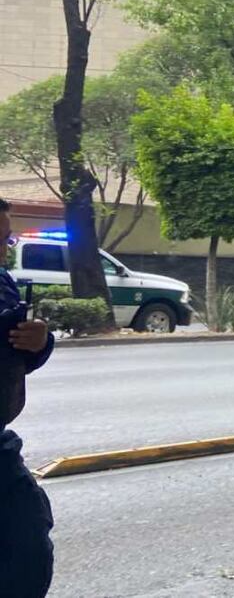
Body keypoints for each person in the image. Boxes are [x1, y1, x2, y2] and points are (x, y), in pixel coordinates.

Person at [0, 198, 56, 598]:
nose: (3, 250)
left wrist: (37, 343)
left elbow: (15, 359)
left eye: (5, 239)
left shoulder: (2, 281)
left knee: (29, 549)